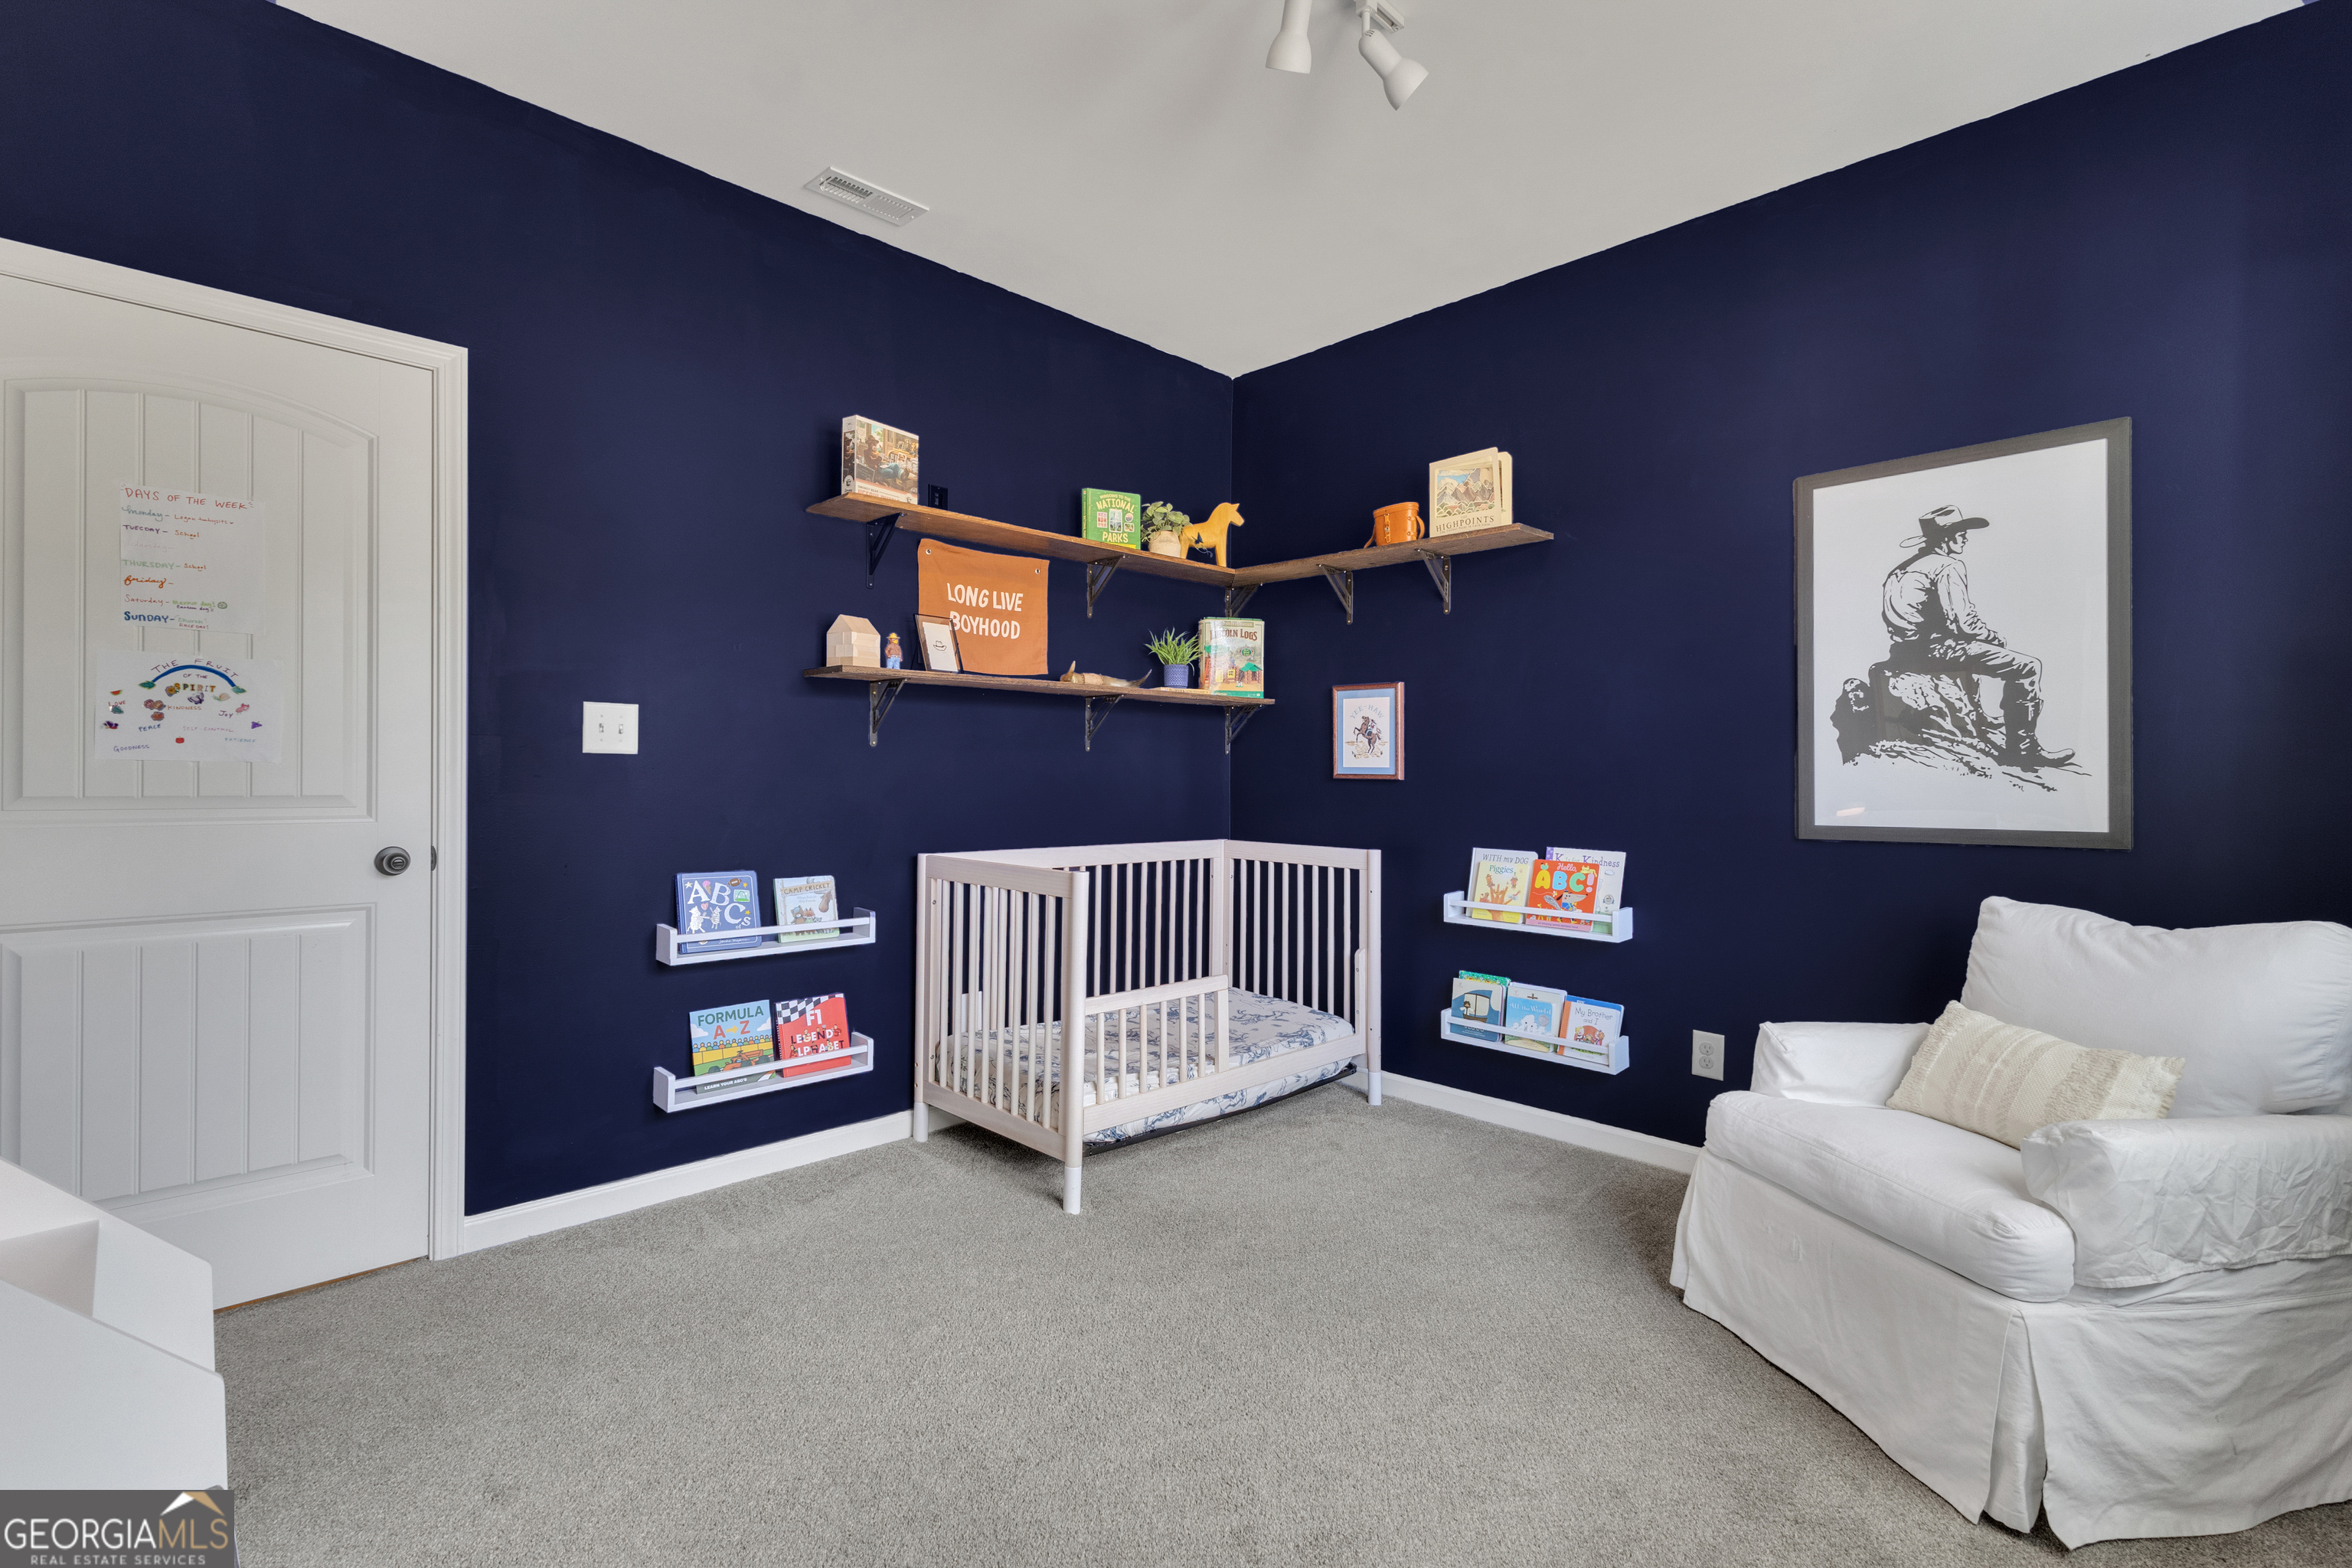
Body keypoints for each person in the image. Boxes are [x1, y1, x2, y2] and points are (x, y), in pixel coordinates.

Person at [1881, 505, 2073, 769]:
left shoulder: (1901, 569)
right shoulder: (1948, 565)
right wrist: (1993, 638)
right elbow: (1964, 623)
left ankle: (1986, 719)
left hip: (1903, 651)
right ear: (1945, 538)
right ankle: (2024, 750)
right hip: (1936, 650)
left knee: (1986, 653)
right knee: (2027, 667)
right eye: (1960, 532)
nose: (1965, 537)